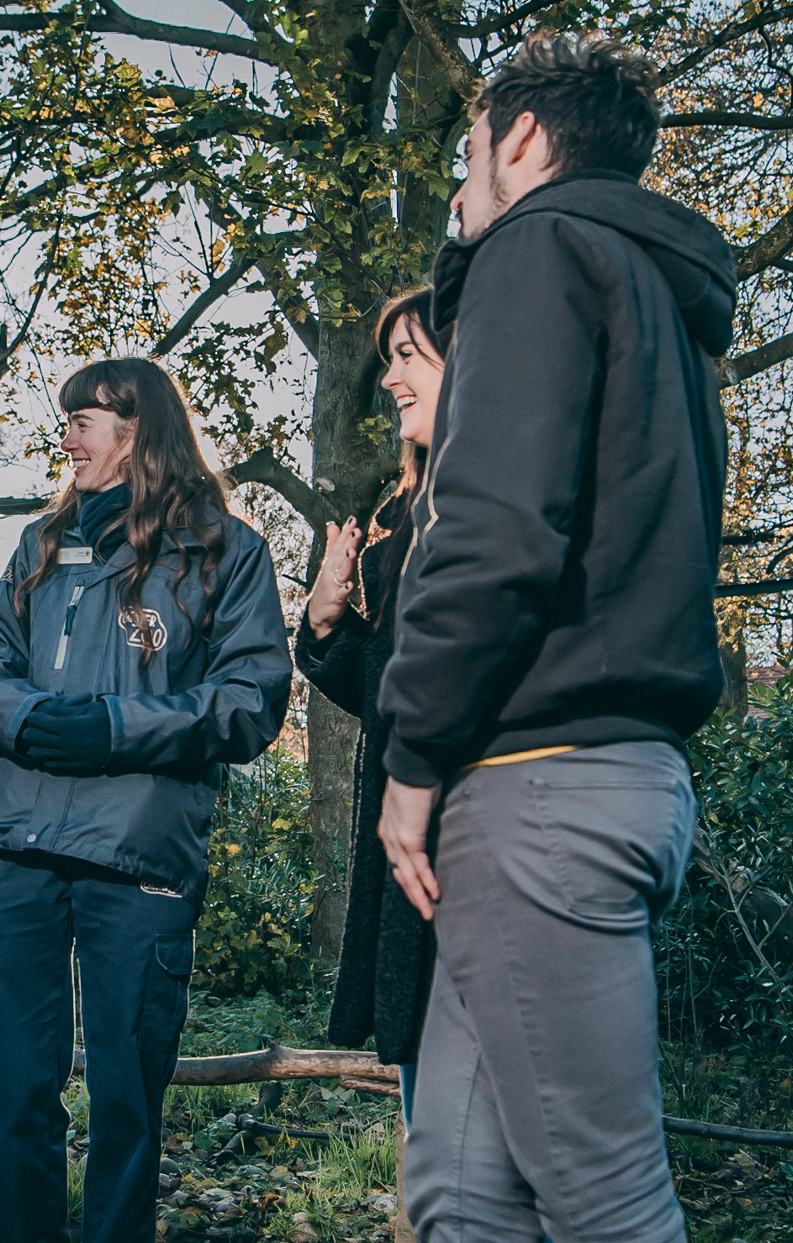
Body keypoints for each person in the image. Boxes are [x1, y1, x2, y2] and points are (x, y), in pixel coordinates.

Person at [373, 33, 735, 1242]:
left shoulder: (539, 246)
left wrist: (410, 759)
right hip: (603, 778)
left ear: (522, 137)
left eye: (469, 151)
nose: (460, 185)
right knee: (465, 1192)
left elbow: (495, 532)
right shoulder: (658, 301)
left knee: (602, 1197)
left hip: (539, 787)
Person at [0, 358, 292, 1243]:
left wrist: (113, 728)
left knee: (125, 1099)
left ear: (138, 427)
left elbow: (253, 699)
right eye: (66, 420)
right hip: (14, 843)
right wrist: (27, 721)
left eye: (83, 418)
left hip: (138, 854)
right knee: (15, 1088)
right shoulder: (38, 545)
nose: (66, 436)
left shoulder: (229, 551)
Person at [294, 287, 445, 1124]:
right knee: (442, 1136)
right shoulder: (401, 507)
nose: (388, 378)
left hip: (475, 841)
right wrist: (326, 623)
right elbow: (392, 691)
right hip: (410, 849)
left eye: (407, 355)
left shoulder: (496, 506)